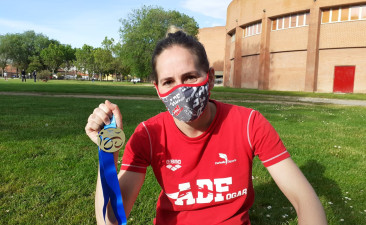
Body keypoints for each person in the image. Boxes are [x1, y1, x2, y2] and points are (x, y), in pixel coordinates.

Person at [85, 29, 327, 225]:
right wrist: (108, 150)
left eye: (190, 77)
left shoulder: (249, 123)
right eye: (168, 81)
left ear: (209, 78)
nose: (180, 90)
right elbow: (110, 221)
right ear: (158, 90)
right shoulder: (149, 134)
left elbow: (304, 198)